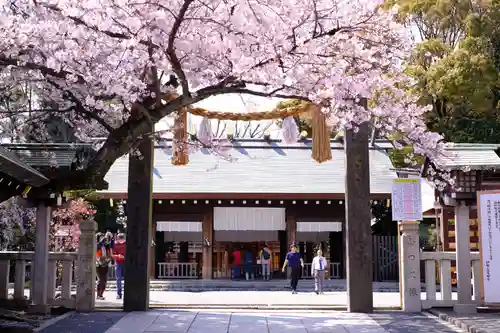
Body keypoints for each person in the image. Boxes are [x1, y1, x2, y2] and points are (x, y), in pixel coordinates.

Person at [96, 232, 113, 300]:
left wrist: (110, 260)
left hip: (106, 263)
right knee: (100, 279)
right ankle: (98, 295)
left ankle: (101, 294)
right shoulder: (97, 245)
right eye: (101, 237)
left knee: (105, 280)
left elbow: (109, 254)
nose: (103, 238)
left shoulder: (106, 245)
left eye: (103, 237)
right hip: (98, 264)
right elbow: (96, 254)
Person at [112, 233, 126, 299]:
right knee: (118, 279)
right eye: (120, 240)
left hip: (126, 262)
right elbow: (112, 254)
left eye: (122, 239)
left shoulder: (126, 244)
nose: (121, 241)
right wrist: (118, 256)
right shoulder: (115, 244)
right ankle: (119, 294)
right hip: (118, 262)